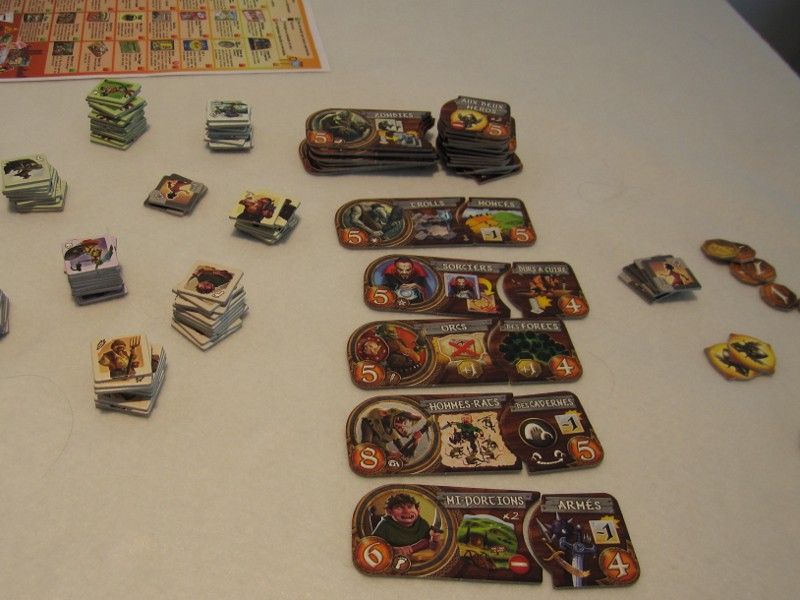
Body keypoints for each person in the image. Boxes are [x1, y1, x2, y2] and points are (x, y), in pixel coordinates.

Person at [371, 493, 441, 557]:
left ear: (418, 510)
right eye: (399, 508)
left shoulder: (422, 523)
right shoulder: (385, 525)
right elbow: (372, 546)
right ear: (389, 512)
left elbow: (429, 544)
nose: (407, 511)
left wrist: (434, 540)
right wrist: (393, 550)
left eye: (410, 507)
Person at [360, 408, 427, 461]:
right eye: (400, 419)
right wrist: (388, 453)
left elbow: (405, 452)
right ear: (384, 414)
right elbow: (366, 445)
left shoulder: (392, 431)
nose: (400, 425)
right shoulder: (369, 421)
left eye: (403, 425)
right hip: (370, 459)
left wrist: (416, 441)